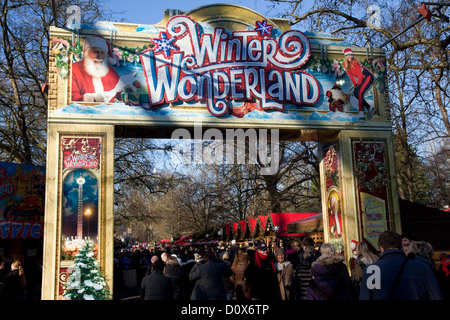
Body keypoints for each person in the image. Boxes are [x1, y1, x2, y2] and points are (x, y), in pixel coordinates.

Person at [359, 230, 443, 300]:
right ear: (401, 246)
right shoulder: (422, 267)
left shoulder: (371, 270)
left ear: (381, 248)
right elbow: (436, 296)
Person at [71, 35, 120, 103]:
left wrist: (129, 88)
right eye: (95, 52)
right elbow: (71, 97)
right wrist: (94, 98)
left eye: (102, 53)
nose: (99, 56)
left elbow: (119, 94)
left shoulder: (111, 71)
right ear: (85, 52)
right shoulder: (73, 69)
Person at [342, 47, 375, 120]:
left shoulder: (355, 62)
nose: (350, 56)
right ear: (345, 56)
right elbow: (350, 76)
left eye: (351, 55)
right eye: (348, 55)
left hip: (367, 77)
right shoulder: (345, 64)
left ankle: (361, 115)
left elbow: (360, 75)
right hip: (362, 78)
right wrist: (355, 84)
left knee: (360, 93)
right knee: (356, 93)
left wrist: (358, 84)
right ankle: (369, 108)